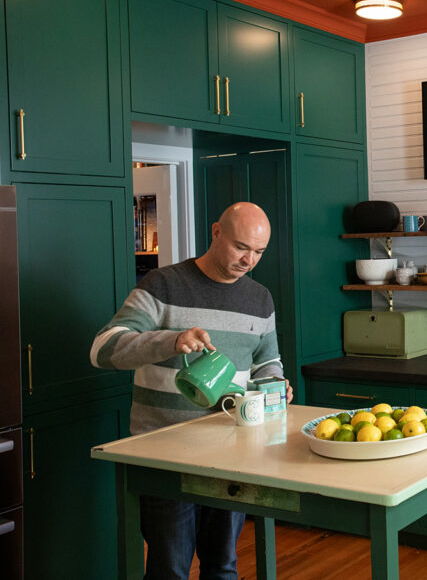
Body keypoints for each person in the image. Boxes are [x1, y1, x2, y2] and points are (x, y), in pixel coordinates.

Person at [90, 202, 293, 580]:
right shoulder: (162, 284)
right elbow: (103, 349)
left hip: (233, 454)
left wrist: (275, 385)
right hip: (164, 456)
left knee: (223, 567)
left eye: (259, 252)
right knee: (169, 570)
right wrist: (170, 341)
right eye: (240, 247)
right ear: (216, 232)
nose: (249, 260)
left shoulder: (260, 297)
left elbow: (268, 360)